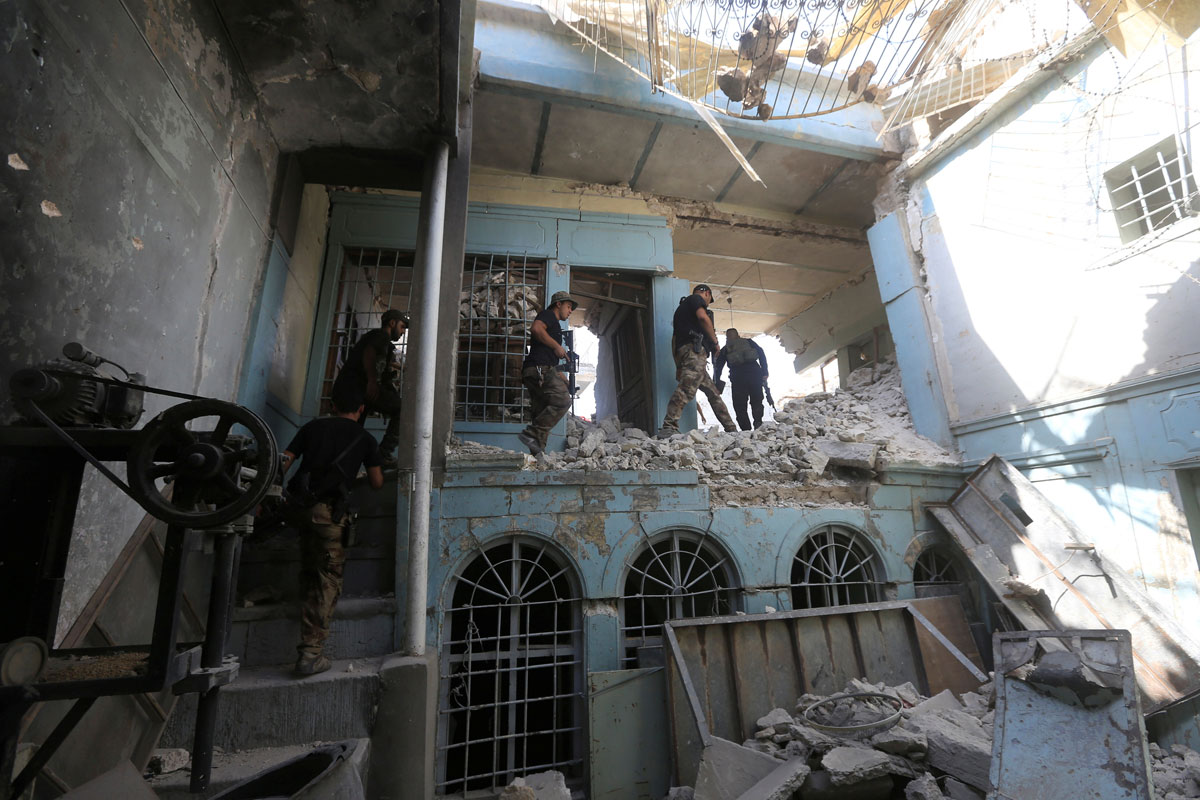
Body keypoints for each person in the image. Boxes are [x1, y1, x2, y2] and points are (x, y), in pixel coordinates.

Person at [280, 381, 384, 676]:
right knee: (327, 581)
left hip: (299, 511)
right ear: (361, 409)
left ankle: (307, 633)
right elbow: (377, 483)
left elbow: (285, 461)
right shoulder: (364, 439)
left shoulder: (312, 428)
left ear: (333, 405)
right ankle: (311, 653)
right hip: (328, 517)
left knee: (310, 568)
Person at [330, 309, 408, 467]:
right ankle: (383, 454)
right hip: (357, 390)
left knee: (351, 435)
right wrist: (373, 381)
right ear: (392, 323)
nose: (402, 332)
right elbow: (370, 354)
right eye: (401, 327)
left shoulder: (377, 340)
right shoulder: (380, 337)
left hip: (354, 391)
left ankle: (342, 465)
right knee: (403, 410)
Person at [658, 284, 738, 437]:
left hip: (687, 354)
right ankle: (668, 426)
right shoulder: (695, 299)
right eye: (708, 300)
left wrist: (678, 366)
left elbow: (674, 341)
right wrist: (715, 343)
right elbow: (703, 317)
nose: (707, 304)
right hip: (694, 352)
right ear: (706, 294)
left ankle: (731, 429)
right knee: (686, 389)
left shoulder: (681, 312)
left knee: (713, 393)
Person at [517, 290, 578, 456]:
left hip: (536, 370)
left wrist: (564, 379)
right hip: (539, 369)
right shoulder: (548, 315)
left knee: (541, 412)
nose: (570, 311)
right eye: (568, 306)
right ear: (558, 304)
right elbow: (536, 329)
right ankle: (531, 434)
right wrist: (556, 346)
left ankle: (538, 455)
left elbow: (550, 361)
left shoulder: (554, 326)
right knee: (562, 401)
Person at [714, 328, 769, 431]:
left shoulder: (726, 349)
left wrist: (717, 382)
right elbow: (761, 354)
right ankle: (758, 423)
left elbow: (718, 367)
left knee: (740, 406)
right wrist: (765, 372)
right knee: (756, 400)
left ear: (727, 338)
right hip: (755, 375)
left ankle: (746, 430)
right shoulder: (749, 342)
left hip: (738, 378)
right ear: (738, 335)